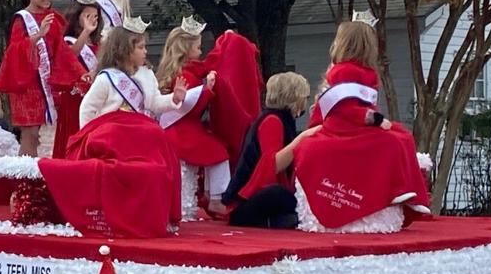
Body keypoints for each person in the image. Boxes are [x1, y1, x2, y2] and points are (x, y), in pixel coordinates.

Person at [37, 22, 182, 237]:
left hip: (139, 135)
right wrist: (85, 137)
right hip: (110, 133)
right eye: (140, 47)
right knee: (115, 134)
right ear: (125, 49)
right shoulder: (106, 78)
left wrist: (174, 98)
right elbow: (88, 108)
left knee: (157, 136)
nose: (145, 52)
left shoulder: (146, 75)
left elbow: (153, 104)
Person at [294, 19, 431, 228]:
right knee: (393, 141)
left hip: (358, 125)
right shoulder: (343, 71)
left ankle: (406, 191)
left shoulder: (366, 73)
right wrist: (374, 119)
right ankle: (399, 190)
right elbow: (345, 108)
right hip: (342, 126)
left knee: (403, 136)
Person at [0, 0, 83, 157]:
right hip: (26, 84)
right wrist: (37, 36)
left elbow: (63, 53)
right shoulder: (21, 19)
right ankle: (25, 182)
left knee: (48, 135)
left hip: (47, 83)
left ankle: (41, 176)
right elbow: (14, 52)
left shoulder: (54, 18)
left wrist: (80, 73)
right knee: (30, 134)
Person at [222, 73, 318, 228]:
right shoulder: (272, 121)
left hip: (254, 200)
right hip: (245, 204)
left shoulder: (282, 119)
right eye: (305, 97)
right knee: (279, 194)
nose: (305, 101)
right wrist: (303, 138)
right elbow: (272, 164)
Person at [155, 18, 230, 216]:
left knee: (213, 154)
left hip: (182, 128)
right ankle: (216, 197)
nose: (201, 51)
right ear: (186, 49)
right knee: (219, 153)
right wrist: (208, 90)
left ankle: (209, 195)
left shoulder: (183, 71)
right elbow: (190, 106)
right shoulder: (186, 75)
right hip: (182, 130)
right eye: (197, 47)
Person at [52, 2, 102, 158]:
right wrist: (86, 32)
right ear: (77, 16)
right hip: (74, 97)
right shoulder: (68, 40)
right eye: (87, 16)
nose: (92, 20)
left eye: (95, 16)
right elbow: (71, 55)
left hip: (94, 95)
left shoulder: (97, 43)